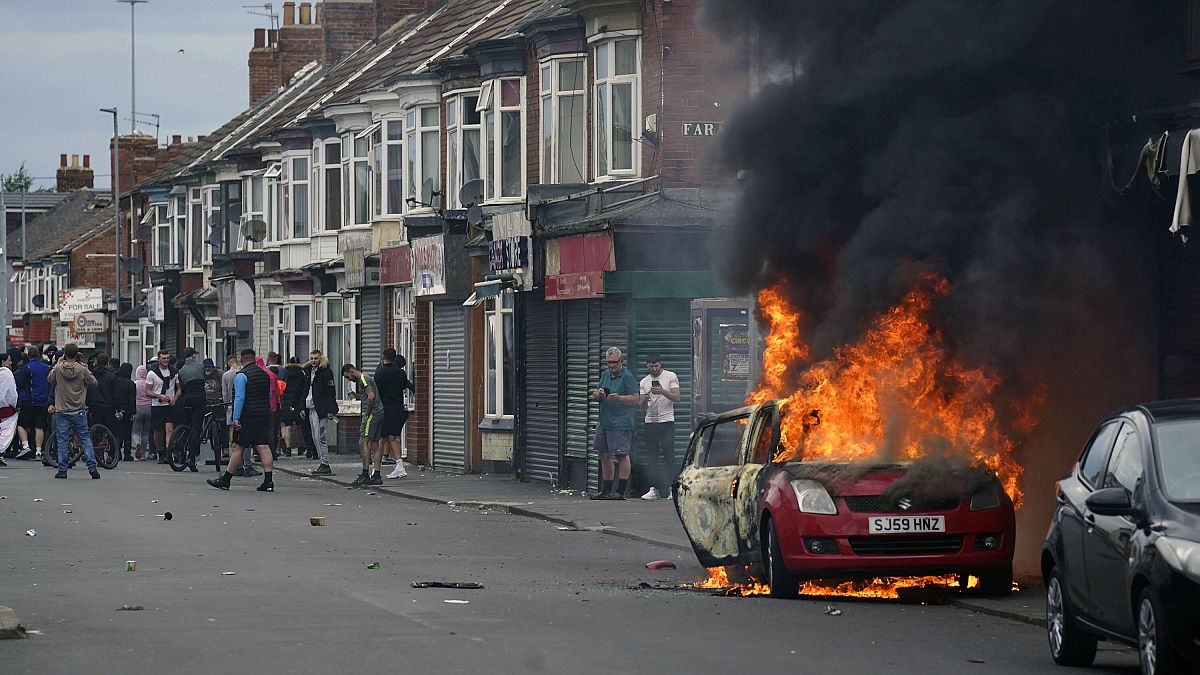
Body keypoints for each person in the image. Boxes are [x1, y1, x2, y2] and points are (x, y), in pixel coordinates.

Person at [207, 349, 274, 492]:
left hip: (248, 416)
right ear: (254, 360)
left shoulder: (242, 376)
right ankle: (268, 481)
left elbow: (240, 398)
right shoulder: (265, 375)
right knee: (263, 446)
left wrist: (235, 417)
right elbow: (268, 395)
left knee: (238, 447)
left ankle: (226, 479)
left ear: (242, 360)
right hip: (263, 414)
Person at [589, 347, 640, 500]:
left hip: (620, 423)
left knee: (621, 455)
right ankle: (606, 490)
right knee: (603, 454)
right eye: (609, 362)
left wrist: (619, 398)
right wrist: (597, 395)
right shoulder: (605, 375)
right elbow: (598, 393)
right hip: (604, 422)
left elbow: (636, 399)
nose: (611, 366)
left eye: (614, 362)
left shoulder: (627, 377)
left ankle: (620, 491)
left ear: (621, 361)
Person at [47, 344, 100, 479]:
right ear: (77, 354)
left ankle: (62, 470)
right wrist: (86, 369)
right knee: (85, 438)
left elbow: (49, 379)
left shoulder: (58, 369)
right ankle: (92, 466)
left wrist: (57, 364)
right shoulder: (82, 369)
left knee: (63, 440)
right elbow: (94, 383)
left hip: (62, 409)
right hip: (79, 409)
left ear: (64, 354)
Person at [638, 353, 681, 501]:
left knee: (669, 455)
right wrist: (644, 399)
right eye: (651, 366)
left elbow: (676, 397)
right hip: (650, 422)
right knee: (652, 457)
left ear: (660, 364)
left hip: (667, 421)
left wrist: (662, 391)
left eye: (656, 365)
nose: (654, 369)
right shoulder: (644, 381)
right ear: (647, 365)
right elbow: (642, 407)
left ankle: (672, 488)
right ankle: (654, 488)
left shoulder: (671, 376)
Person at [341, 364, 385, 486]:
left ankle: (365, 474)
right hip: (379, 412)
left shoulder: (364, 378)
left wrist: (366, 414)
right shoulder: (367, 379)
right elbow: (367, 396)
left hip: (372, 414)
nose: (348, 379)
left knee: (364, 441)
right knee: (375, 443)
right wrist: (355, 396)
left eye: (347, 376)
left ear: (352, 371)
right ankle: (376, 475)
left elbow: (371, 396)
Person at [374, 348, 414, 479]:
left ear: (382, 357)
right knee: (393, 437)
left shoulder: (380, 373)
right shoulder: (401, 373)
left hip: (385, 409)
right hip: (398, 408)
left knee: (381, 439)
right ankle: (399, 465)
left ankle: (376, 470)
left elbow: (376, 392)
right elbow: (403, 387)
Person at [303, 350, 337, 475]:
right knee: (314, 436)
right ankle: (322, 462)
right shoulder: (307, 372)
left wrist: (331, 409)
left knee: (320, 436)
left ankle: (325, 463)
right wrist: (302, 407)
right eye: (311, 358)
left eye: (316, 358)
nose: (313, 361)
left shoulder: (326, 372)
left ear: (320, 358)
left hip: (321, 408)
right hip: (310, 406)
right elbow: (305, 389)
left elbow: (330, 392)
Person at [172, 347, 206, 472]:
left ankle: (180, 449)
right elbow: (204, 380)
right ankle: (191, 458)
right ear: (193, 356)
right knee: (196, 428)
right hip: (199, 399)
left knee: (186, 426)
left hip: (187, 399)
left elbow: (182, 386)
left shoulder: (181, 371)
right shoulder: (200, 366)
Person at [19, 346, 51, 461]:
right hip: (43, 401)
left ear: (28, 355)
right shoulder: (46, 367)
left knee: (21, 424)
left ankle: (26, 446)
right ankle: (38, 451)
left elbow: (20, 383)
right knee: (39, 426)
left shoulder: (26, 367)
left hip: (29, 400)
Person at [145, 350, 177, 464]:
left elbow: (179, 389)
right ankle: (160, 453)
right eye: (163, 358)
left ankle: (169, 453)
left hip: (169, 405)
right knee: (158, 431)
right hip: (157, 405)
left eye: (167, 358)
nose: (166, 360)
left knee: (169, 429)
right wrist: (159, 395)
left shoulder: (174, 372)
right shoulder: (152, 374)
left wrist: (175, 398)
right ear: (158, 359)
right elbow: (147, 391)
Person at [281, 356, 306, 457]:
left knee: (288, 425)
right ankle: (300, 447)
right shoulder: (302, 373)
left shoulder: (285, 373)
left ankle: (288, 448)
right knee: (299, 425)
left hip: (286, 402)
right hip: (298, 402)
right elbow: (303, 388)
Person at [113, 362, 137, 462]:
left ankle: (117, 452)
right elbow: (132, 399)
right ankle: (127, 453)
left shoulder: (115, 381)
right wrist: (133, 412)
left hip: (117, 409)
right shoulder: (131, 384)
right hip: (128, 410)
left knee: (118, 432)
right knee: (127, 432)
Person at [0, 352, 19, 468]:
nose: (11, 363)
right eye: (9, 360)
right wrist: (14, 404)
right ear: (2, 361)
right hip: (6, 406)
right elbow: (11, 391)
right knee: (6, 431)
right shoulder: (7, 374)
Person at [133, 364, 153, 460]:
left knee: (136, 431)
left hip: (138, 408)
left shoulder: (135, 384)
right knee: (146, 432)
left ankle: (137, 443)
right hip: (149, 408)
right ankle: (143, 453)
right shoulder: (149, 383)